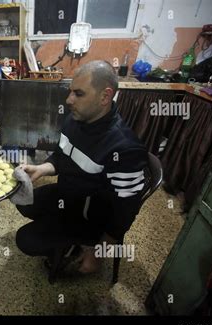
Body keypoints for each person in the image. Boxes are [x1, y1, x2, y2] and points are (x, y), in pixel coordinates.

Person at [15, 60, 148, 274]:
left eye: (79, 94)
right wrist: (43, 168)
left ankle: (77, 245)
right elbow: (62, 155)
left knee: (25, 240)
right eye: (70, 92)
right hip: (69, 195)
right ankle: (61, 236)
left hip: (91, 217)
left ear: (105, 96)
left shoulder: (124, 150)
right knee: (24, 201)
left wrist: (100, 252)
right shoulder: (76, 120)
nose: (69, 100)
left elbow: (125, 211)